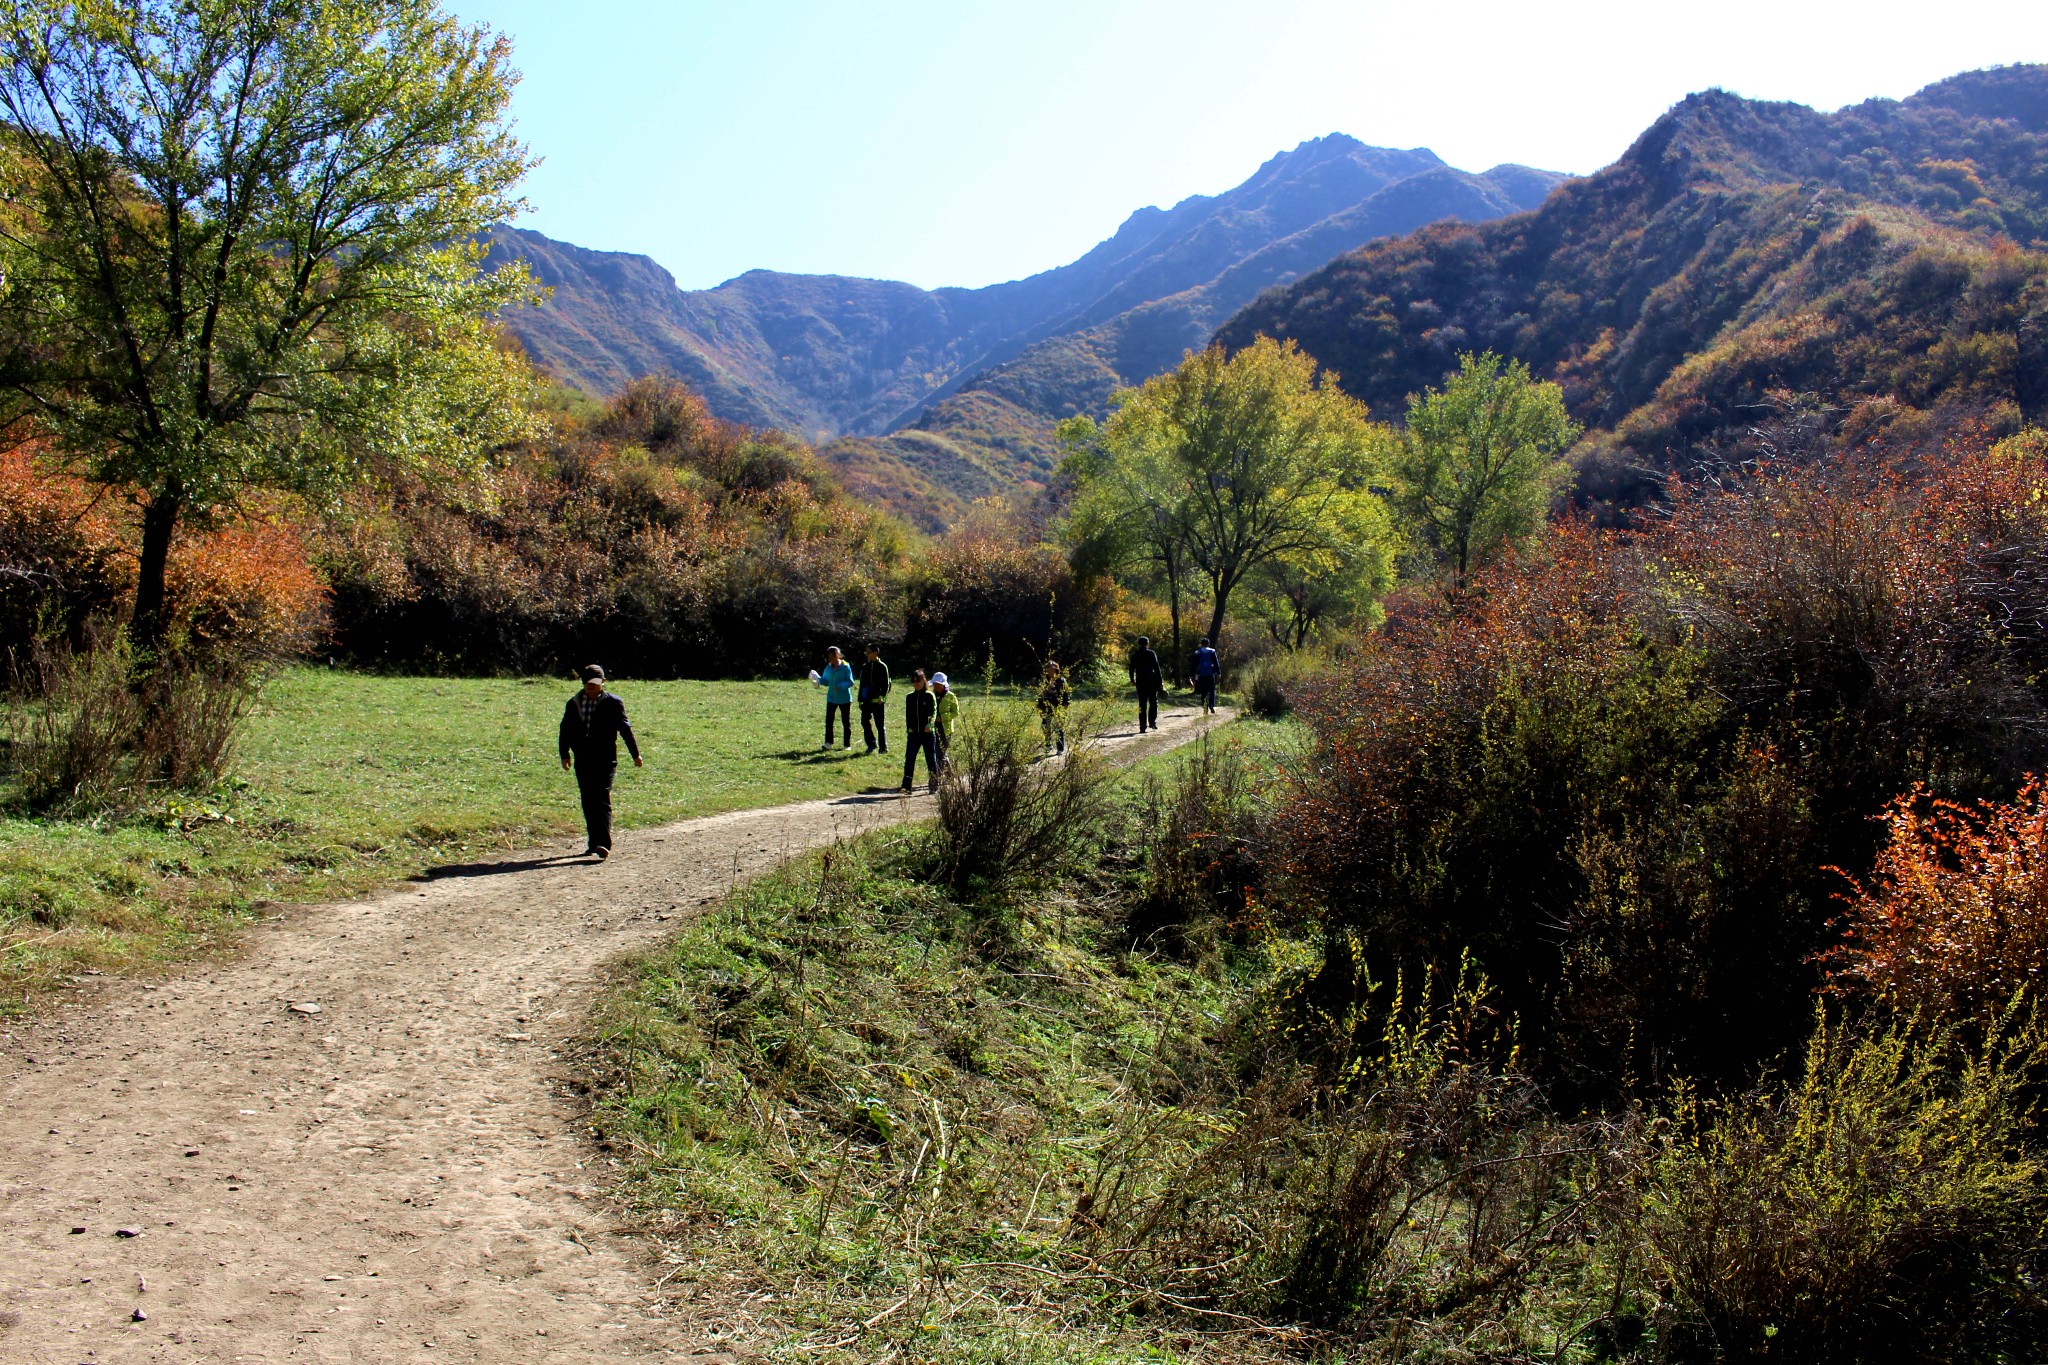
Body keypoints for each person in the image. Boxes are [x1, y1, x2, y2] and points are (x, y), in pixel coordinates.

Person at [558, 665, 642, 861]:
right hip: (583, 758)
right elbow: (565, 730)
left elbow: (625, 729)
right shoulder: (574, 703)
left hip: (606, 758)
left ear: (603, 683)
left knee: (601, 796)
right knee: (588, 799)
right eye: (587, 683)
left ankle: (603, 843)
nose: (591, 687)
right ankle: (593, 842)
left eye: (595, 683)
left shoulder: (613, 703)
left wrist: (635, 754)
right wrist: (565, 754)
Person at [901, 669, 939, 793]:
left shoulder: (929, 695)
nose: (915, 683)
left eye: (918, 680)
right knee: (909, 759)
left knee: (931, 759)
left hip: (928, 733)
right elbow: (908, 715)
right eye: (913, 681)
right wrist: (909, 729)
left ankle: (934, 785)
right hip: (914, 734)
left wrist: (930, 724)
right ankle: (906, 786)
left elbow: (933, 712)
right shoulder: (909, 697)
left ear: (924, 680)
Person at [814, 646, 855, 750]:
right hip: (831, 698)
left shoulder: (846, 666)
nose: (830, 659)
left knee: (845, 721)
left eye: (832, 656)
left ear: (837, 655)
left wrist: (840, 686)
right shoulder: (828, 667)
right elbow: (826, 681)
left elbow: (850, 681)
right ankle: (828, 743)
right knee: (829, 721)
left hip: (844, 699)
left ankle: (847, 744)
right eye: (829, 657)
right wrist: (817, 680)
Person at [858, 643, 891, 754]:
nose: (866, 654)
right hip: (866, 700)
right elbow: (862, 684)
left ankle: (883, 747)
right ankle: (871, 743)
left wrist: (882, 697)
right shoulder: (865, 667)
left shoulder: (882, 666)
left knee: (880, 725)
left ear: (875, 652)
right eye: (865, 652)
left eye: (868, 652)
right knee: (864, 721)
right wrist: (860, 700)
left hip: (878, 701)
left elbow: (886, 684)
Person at [1129, 635, 1164, 733]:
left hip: (1140, 681)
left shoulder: (1135, 655)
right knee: (1153, 702)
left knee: (1142, 704)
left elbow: (1131, 668)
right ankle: (1152, 722)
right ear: (1147, 643)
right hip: (1152, 680)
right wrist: (1160, 681)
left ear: (1138, 644)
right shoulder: (1151, 653)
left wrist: (1132, 679)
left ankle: (1142, 726)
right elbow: (1157, 668)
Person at [1037, 660, 1071, 755]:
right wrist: (1040, 706)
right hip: (1047, 707)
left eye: (1051, 667)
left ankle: (1060, 748)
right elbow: (1041, 695)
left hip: (1058, 707)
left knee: (1058, 727)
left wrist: (1065, 705)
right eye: (1047, 667)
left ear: (1056, 669)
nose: (1049, 669)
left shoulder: (1061, 680)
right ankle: (1048, 745)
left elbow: (1066, 694)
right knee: (1045, 726)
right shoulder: (1045, 681)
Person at [931, 671, 958, 773]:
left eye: (938, 684)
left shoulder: (951, 696)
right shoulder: (931, 695)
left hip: (946, 730)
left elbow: (955, 712)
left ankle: (937, 777)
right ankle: (950, 775)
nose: (936, 686)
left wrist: (942, 718)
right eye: (934, 684)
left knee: (940, 754)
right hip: (933, 729)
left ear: (943, 685)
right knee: (938, 753)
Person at [1191, 637, 1220, 715]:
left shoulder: (1197, 652)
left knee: (1203, 691)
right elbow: (1216, 663)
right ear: (1208, 643)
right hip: (1211, 674)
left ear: (1201, 644)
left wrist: (1193, 675)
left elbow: (1194, 665)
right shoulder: (1212, 651)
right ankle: (1211, 705)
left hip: (1201, 674)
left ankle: (1205, 707)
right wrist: (1218, 673)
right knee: (1212, 690)